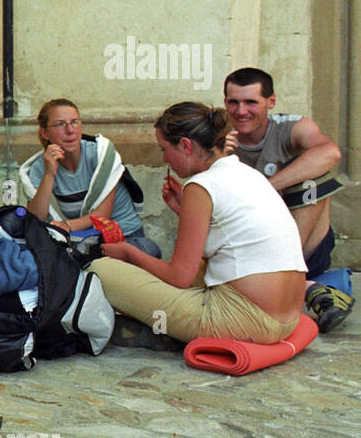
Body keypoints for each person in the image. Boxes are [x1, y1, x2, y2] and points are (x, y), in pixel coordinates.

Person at [87, 102, 306, 346]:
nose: (164, 158)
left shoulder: (201, 185)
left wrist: (129, 252)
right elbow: (227, 240)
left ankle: (159, 329)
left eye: (164, 149)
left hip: (244, 321)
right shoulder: (247, 173)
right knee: (193, 270)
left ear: (185, 145)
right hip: (288, 319)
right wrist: (184, 211)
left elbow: (179, 277)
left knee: (99, 269)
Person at [224, 67, 351, 332]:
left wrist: (265, 188)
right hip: (247, 246)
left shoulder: (292, 127)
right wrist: (218, 160)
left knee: (313, 180)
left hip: (301, 248)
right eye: (233, 102)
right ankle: (313, 291)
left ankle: (289, 275)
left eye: (251, 102)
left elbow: (330, 153)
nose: (241, 111)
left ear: (271, 102)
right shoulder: (218, 135)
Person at [18, 99, 161, 257]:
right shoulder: (42, 165)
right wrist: (49, 174)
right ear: (45, 133)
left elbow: (102, 216)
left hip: (125, 238)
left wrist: (65, 226)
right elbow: (36, 217)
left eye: (75, 122)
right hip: (86, 240)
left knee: (150, 250)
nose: (70, 130)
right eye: (60, 124)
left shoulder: (100, 155)